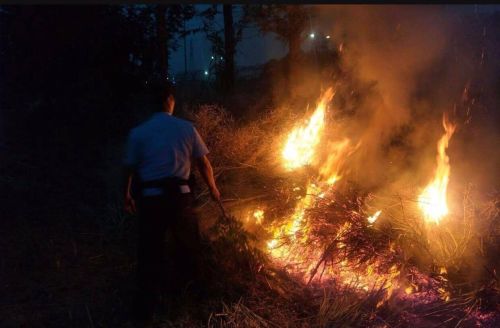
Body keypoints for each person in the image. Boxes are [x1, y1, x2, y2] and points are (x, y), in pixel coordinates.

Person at [122, 81, 220, 320]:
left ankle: (144, 311)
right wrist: (214, 189)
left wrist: (127, 195)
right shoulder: (186, 128)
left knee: (149, 254)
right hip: (180, 200)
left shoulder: (138, 133)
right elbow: (203, 163)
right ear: (170, 100)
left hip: (151, 200)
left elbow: (129, 170)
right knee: (189, 250)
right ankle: (195, 304)